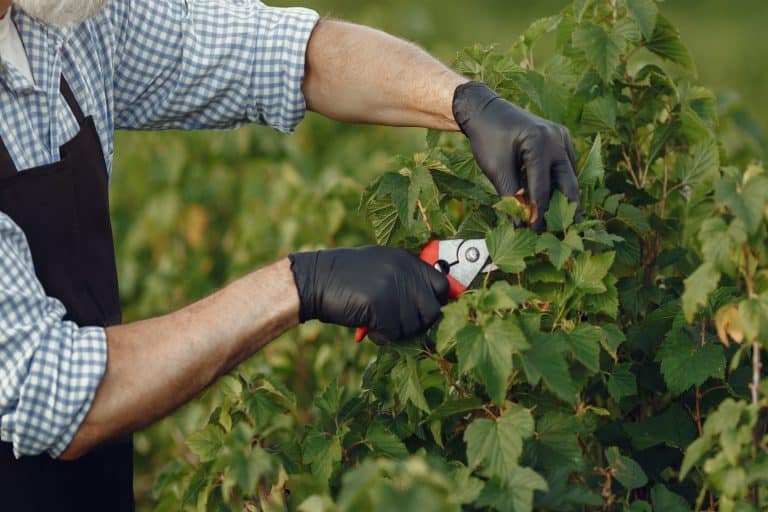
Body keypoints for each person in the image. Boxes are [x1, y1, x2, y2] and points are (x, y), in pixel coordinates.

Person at [0, 0, 579, 510]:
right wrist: (301, 284)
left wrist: (467, 102)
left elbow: (282, 53)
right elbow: (52, 389)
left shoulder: (57, 22)